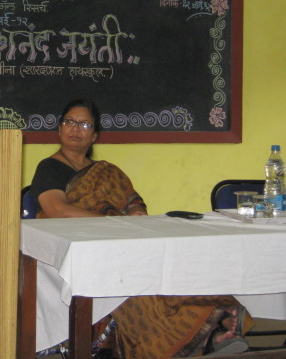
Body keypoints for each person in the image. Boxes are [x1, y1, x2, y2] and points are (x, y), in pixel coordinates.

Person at [31, 99, 251, 359]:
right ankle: (200, 337)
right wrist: (114, 223)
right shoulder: (49, 168)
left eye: (84, 124)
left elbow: (133, 204)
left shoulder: (107, 172)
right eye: (70, 121)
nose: (75, 128)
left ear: (95, 135)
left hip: (118, 240)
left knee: (169, 264)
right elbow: (57, 210)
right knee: (131, 281)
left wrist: (134, 215)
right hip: (78, 249)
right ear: (59, 128)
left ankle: (211, 325)